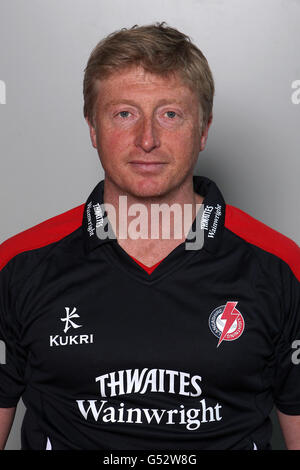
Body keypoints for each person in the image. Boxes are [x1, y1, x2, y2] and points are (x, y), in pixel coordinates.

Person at [0, 22, 299, 451]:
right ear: (92, 128)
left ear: (203, 130)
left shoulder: (280, 266)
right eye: (124, 113)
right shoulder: (18, 264)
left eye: (170, 114)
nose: (147, 139)